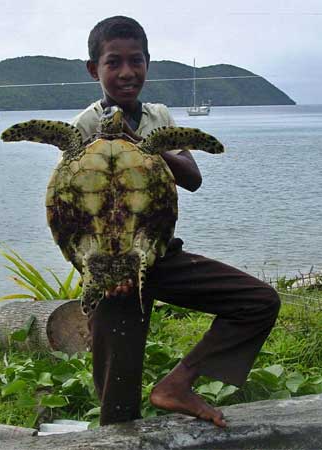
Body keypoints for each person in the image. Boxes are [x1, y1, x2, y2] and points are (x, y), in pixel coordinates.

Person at [70, 16, 280, 428]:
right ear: (94, 69)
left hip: (161, 254)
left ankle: (178, 384)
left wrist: (142, 144)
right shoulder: (85, 126)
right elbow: (74, 211)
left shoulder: (160, 116)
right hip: (113, 269)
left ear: (148, 64)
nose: (127, 72)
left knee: (258, 302)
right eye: (114, 62)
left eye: (136, 61)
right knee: (118, 400)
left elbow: (192, 178)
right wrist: (101, 271)